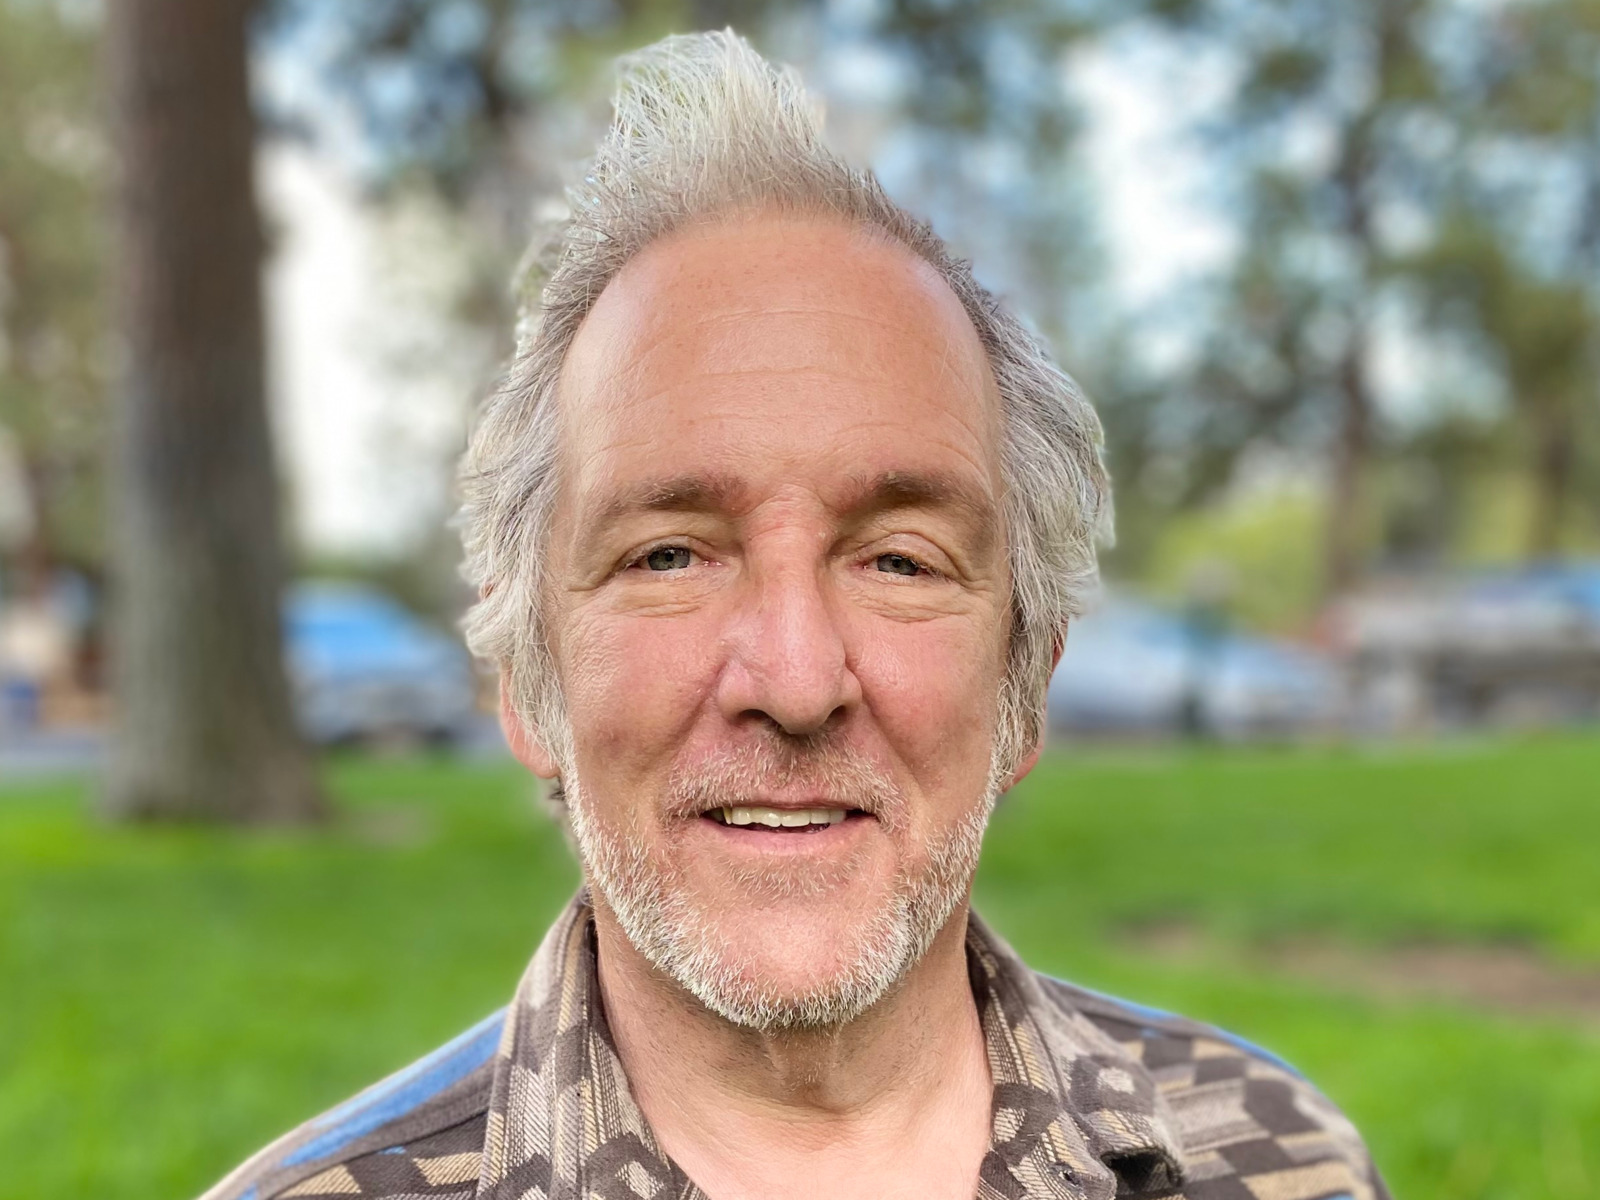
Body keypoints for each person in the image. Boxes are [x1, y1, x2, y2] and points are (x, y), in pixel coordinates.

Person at [205, 30, 1388, 1200]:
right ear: (525, 683)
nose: (795, 677)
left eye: (900, 562)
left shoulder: (1283, 1159)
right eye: (669, 555)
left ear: (1024, 684)